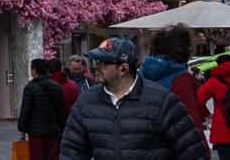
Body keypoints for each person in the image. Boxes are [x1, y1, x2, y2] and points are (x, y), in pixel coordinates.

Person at [54, 37, 206, 160]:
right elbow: (71, 151)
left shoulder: (162, 101)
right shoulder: (86, 101)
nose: (95, 67)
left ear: (123, 69)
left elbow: (191, 151)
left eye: (102, 63)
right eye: (96, 62)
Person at [16, 63, 68, 160]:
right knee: (52, 156)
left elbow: (25, 109)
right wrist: (61, 127)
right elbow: (62, 109)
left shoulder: (30, 87)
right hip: (53, 130)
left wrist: (22, 127)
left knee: (37, 156)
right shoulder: (57, 86)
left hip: (36, 131)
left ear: (34, 71)